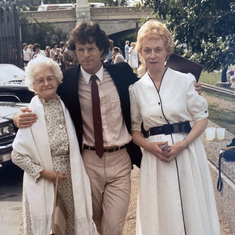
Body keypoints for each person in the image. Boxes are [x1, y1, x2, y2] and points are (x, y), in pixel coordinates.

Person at [13, 22, 201, 235]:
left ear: (101, 49)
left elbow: (152, 87)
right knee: (90, 224)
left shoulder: (121, 74)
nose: (85, 54)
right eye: (80, 49)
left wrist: (189, 87)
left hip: (120, 161)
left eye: (91, 48)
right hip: (87, 163)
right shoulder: (67, 83)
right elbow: (43, 98)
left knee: (113, 228)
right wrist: (18, 117)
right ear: (74, 51)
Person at [129, 20, 220, 235]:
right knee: (162, 210)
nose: (153, 55)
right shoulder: (136, 89)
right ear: (141, 53)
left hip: (187, 153)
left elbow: (202, 118)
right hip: (156, 157)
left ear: (167, 51)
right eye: (147, 50)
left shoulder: (185, 81)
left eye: (158, 50)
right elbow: (134, 130)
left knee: (191, 206)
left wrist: (183, 144)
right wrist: (150, 148)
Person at [11, 56, 98, 235]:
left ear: (57, 80)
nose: (46, 83)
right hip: (44, 180)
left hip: (70, 179)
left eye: (50, 78)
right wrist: (45, 173)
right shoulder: (31, 112)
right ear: (33, 86)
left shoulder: (66, 104)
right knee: (49, 227)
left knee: (69, 225)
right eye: (40, 80)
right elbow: (17, 155)